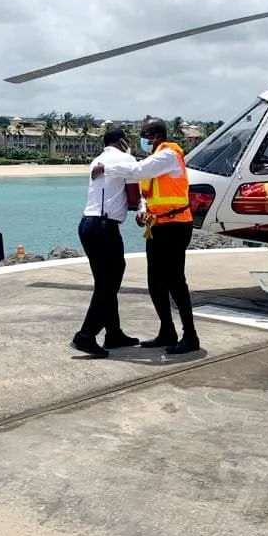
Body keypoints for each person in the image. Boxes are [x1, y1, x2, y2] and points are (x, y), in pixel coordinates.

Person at [93, 117, 199, 355]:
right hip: (157, 226)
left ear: (156, 135)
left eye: (145, 133)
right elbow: (145, 194)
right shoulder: (154, 161)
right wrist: (142, 210)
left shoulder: (169, 154)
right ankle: (167, 331)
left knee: (175, 281)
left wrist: (106, 168)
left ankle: (190, 335)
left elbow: (139, 170)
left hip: (176, 225)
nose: (142, 138)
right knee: (155, 282)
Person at [72, 126, 140, 359]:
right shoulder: (126, 159)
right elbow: (133, 199)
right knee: (109, 283)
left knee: (104, 281)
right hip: (105, 227)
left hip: (87, 225)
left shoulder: (97, 161)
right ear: (122, 142)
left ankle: (113, 333)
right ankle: (86, 335)